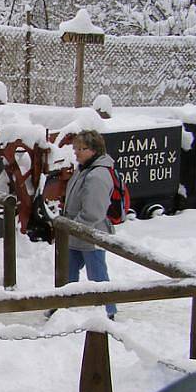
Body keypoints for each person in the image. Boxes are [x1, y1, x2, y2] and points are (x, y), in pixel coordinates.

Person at [63, 130, 118, 320]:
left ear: (94, 150)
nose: (76, 152)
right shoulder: (83, 170)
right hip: (76, 231)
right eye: (75, 148)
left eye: (81, 149)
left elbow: (93, 212)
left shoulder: (97, 176)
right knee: (66, 272)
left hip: (91, 233)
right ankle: (63, 305)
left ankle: (107, 310)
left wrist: (74, 227)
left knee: (97, 275)